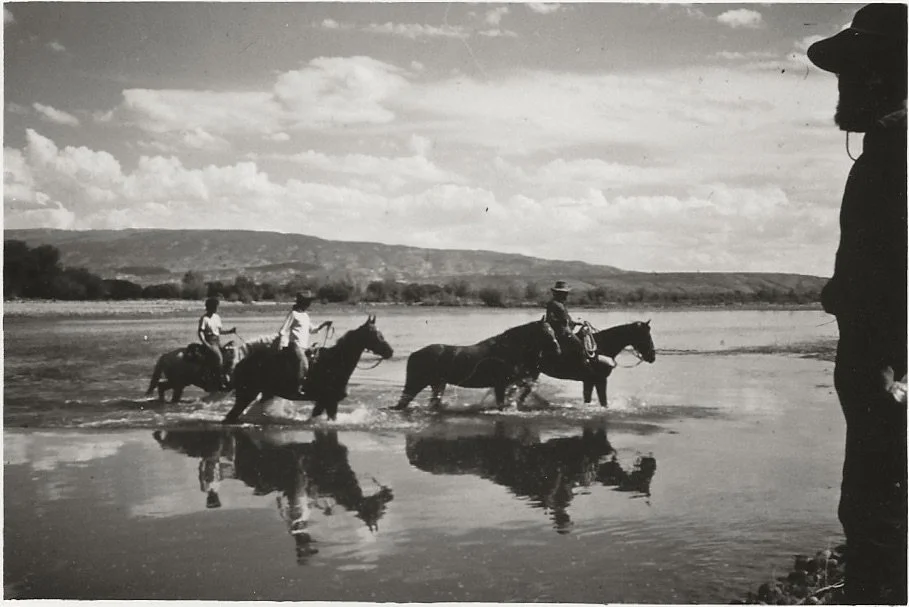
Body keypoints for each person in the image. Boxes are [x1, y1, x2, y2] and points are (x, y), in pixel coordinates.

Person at [807, 5, 907, 603]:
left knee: (879, 521)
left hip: (890, 384)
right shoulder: (885, 148)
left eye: (854, 68)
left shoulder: (899, 152)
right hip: (882, 382)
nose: (843, 84)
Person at [278, 290, 332, 394]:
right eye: (308, 302)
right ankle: (298, 387)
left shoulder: (305, 316)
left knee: (315, 361)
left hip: (303, 347)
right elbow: (283, 330)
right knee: (304, 364)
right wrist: (281, 344)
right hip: (295, 346)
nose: (309, 304)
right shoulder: (293, 314)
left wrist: (324, 324)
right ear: (303, 303)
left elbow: (312, 330)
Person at [197, 297, 236, 390]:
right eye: (215, 307)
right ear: (210, 307)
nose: (216, 308)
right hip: (209, 341)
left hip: (217, 340)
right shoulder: (204, 318)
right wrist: (205, 343)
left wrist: (230, 331)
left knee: (232, 352)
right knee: (219, 358)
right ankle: (219, 381)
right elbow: (200, 332)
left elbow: (219, 331)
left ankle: (229, 376)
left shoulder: (217, 317)